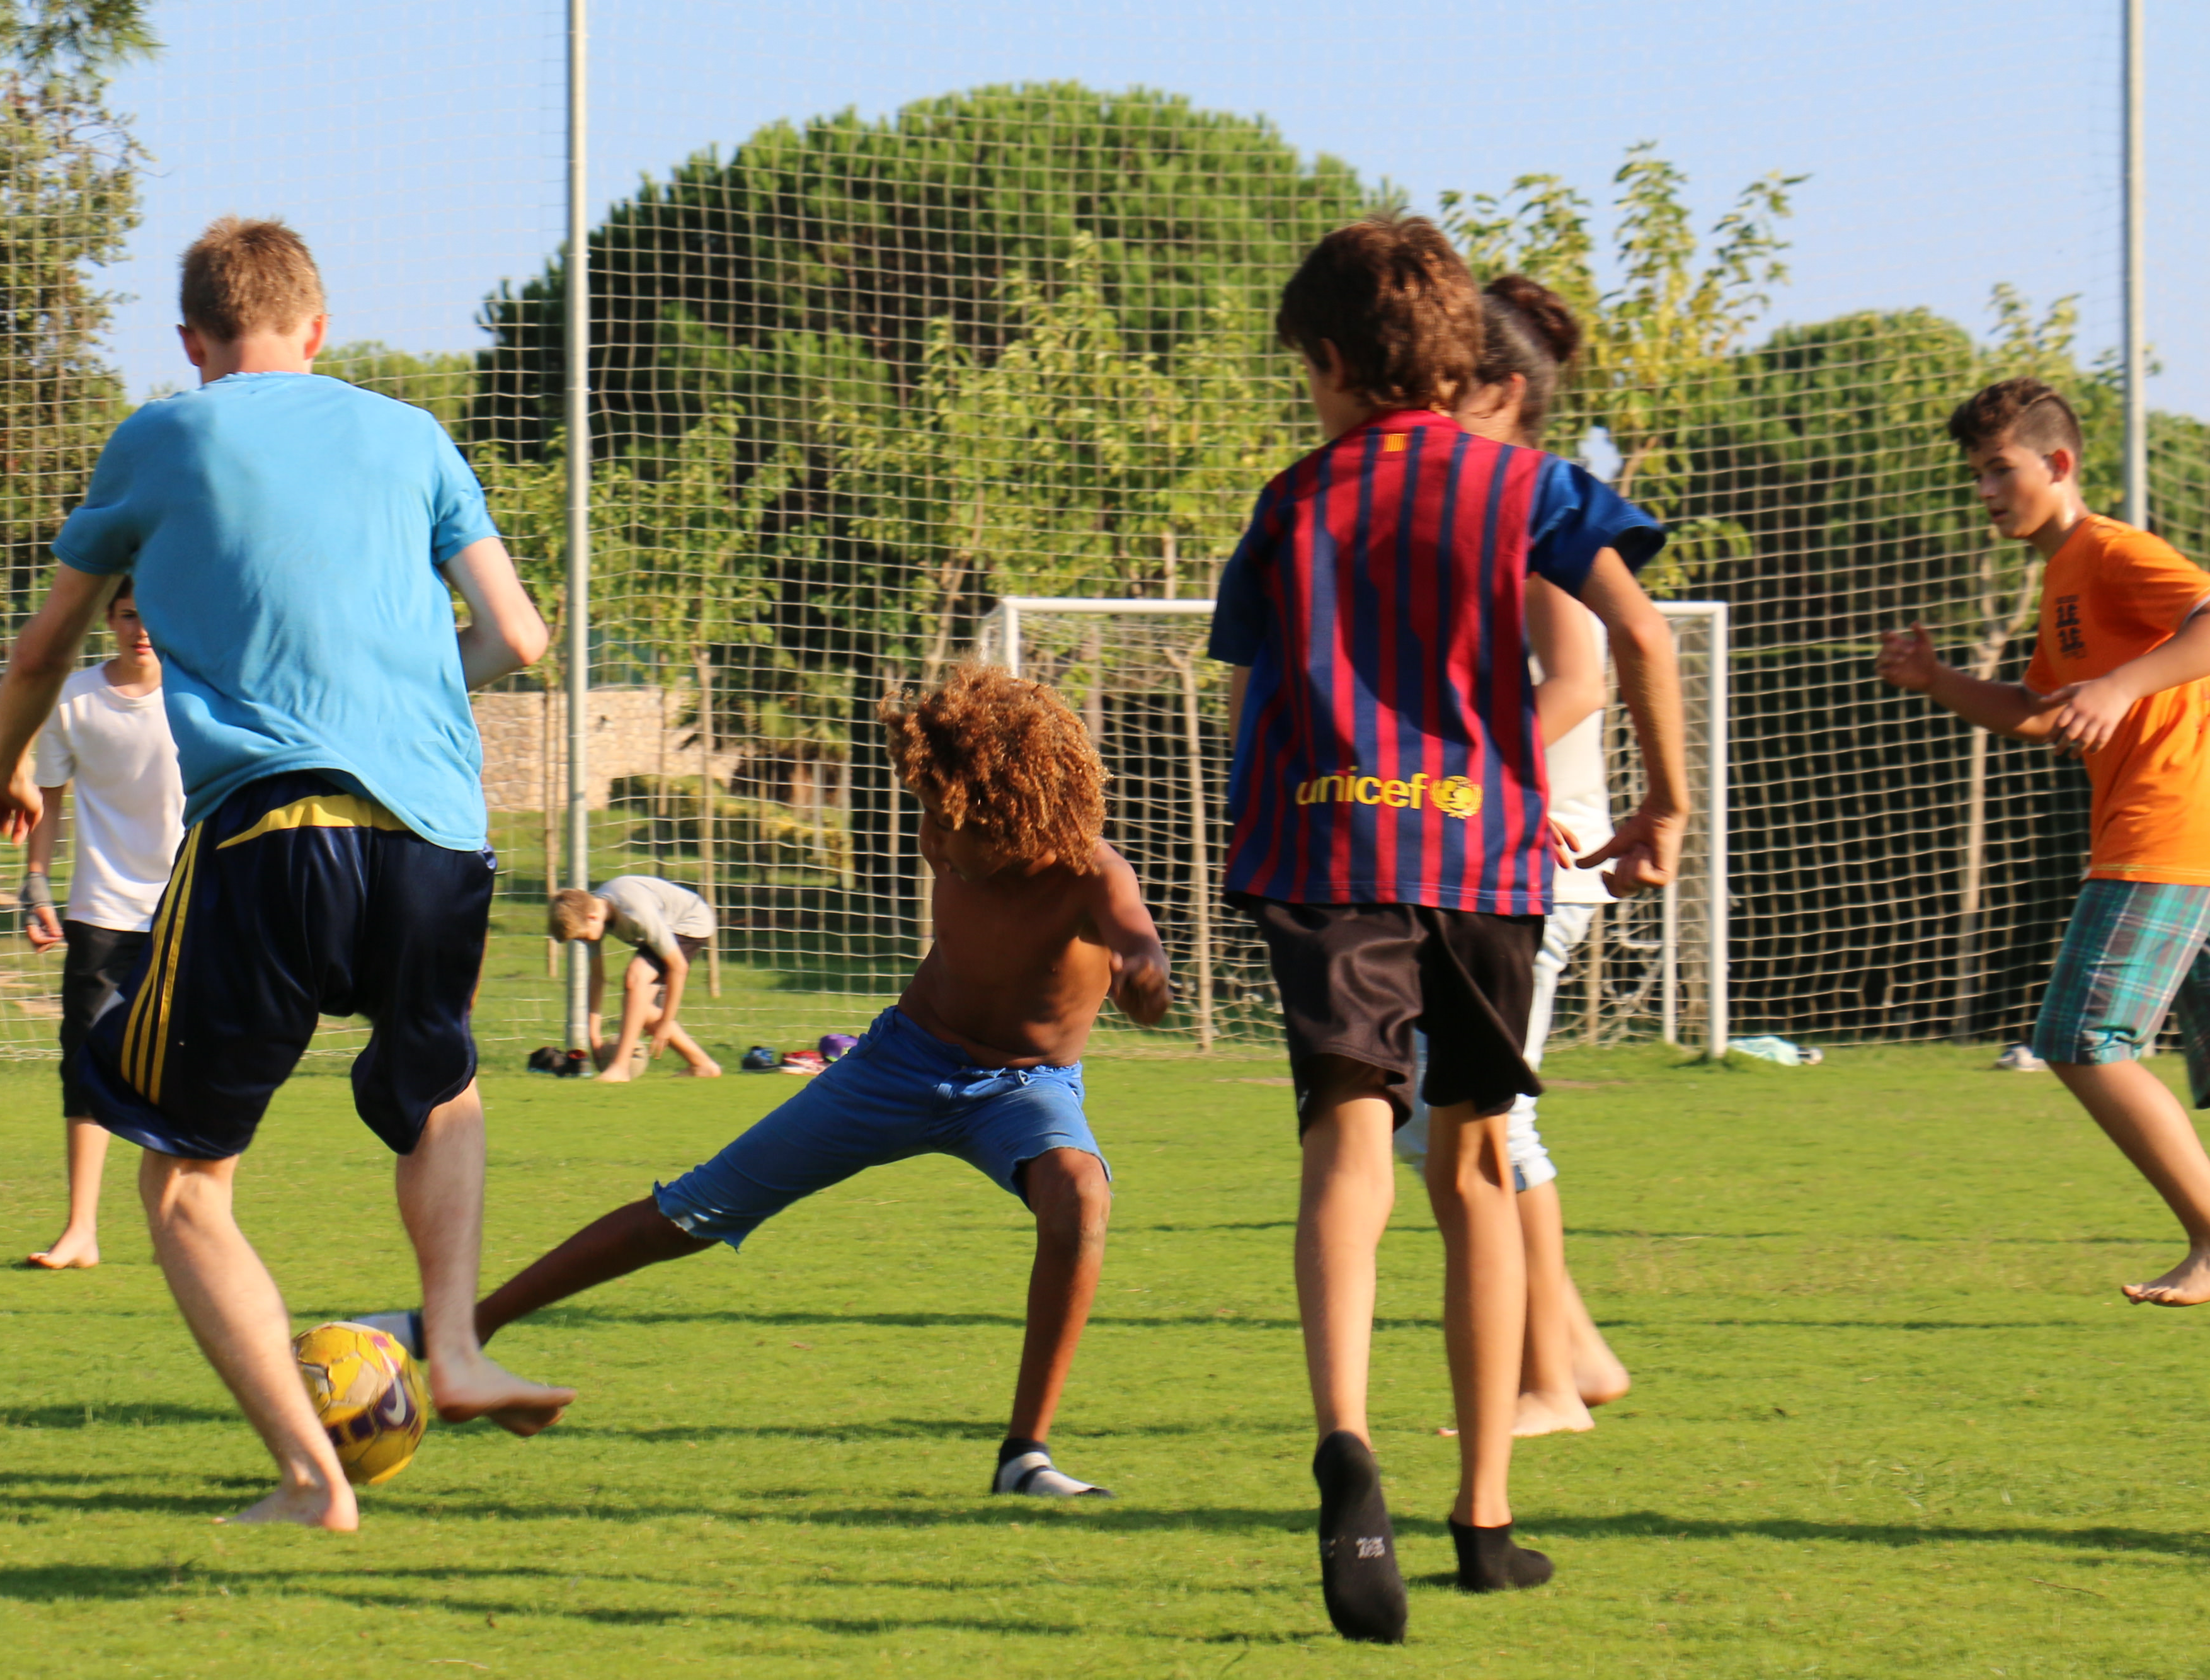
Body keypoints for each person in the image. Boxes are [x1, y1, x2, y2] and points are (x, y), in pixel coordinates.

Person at [0, 215, 571, 1530]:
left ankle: (311, 1480)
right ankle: (457, 1346)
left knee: (184, 1183)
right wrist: (407, 694)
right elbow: (518, 635)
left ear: (192, 341)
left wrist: (2, 766)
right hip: (436, 836)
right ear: (318, 326)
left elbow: (45, 644)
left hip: (272, 831)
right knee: (442, 1090)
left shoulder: (162, 437)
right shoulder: (413, 436)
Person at [1208, 217, 1687, 1639]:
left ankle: (1346, 1441)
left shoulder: (1289, 501)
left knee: (1344, 1141)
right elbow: (1637, 639)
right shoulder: (1528, 483)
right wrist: (1662, 805)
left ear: (1331, 359)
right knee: (1475, 1168)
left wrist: (1256, 846)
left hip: (1325, 851)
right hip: (1481, 860)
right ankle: (1483, 1517)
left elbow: (1248, 700)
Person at [362, 665, 1170, 1497]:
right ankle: (460, 1327)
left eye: (944, 820)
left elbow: (1136, 940)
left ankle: (1024, 1457)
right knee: (689, 1211)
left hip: (1022, 1088)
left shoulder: (1090, 873)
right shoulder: (960, 847)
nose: (930, 838)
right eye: (926, 811)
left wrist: (1145, 977)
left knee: (1081, 1195)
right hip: (900, 1063)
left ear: (1010, 817)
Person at [1878, 377, 2210, 1308]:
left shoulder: (2111, 552)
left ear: (2057, 463)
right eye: (1975, 475)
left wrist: (2121, 684)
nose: (1984, 491)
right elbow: (2038, 710)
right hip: (2178, 834)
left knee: (2079, 1035)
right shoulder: (2061, 573)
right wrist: (1937, 679)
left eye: (1998, 469)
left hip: (2169, 830)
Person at [1394, 275, 1635, 1435]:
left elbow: (1581, 681)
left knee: (1479, 1124)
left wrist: (1469, 776)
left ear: (1493, 389)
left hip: (1536, 856)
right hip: (1493, 853)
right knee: (1442, 1120)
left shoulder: (1533, 510)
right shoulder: (1479, 505)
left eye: (1438, 380)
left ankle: (1551, 1380)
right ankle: (1573, 1353)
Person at [20, 577, 184, 1271]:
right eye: (127, 615)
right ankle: (80, 1230)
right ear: (110, 621)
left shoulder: (201, 695)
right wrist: (36, 884)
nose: (140, 629)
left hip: (189, 909)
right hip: (101, 911)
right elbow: (47, 800)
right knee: (88, 1063)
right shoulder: (75, 698)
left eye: (153, 614)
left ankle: (183, 1226)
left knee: (181, 1069)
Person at [548, 876, 723, 1080]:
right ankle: (703, 1066)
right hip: (666, 925)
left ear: (592, 918)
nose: (584, 942)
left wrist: (667, 1022)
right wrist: (594, 1034)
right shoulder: (593, 914)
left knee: (635, 977)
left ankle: (620, 1068)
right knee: (639, 1009)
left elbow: (678, 967)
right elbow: (597, 978)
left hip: (691, 921)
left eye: (583, 937)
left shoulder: (636, 914)